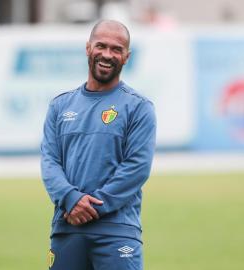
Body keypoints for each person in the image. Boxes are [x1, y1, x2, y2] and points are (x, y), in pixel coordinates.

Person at [41, 20, 156, 270]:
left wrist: (90, 207)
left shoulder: (138, 107)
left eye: (116, 49)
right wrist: (71, 199)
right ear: (87, 48)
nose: (107, 54)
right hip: (67, 228)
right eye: (101, 46)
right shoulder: (60, 106)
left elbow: (136, 167)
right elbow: (50, 162)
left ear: (126, 57)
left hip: (117, 231)